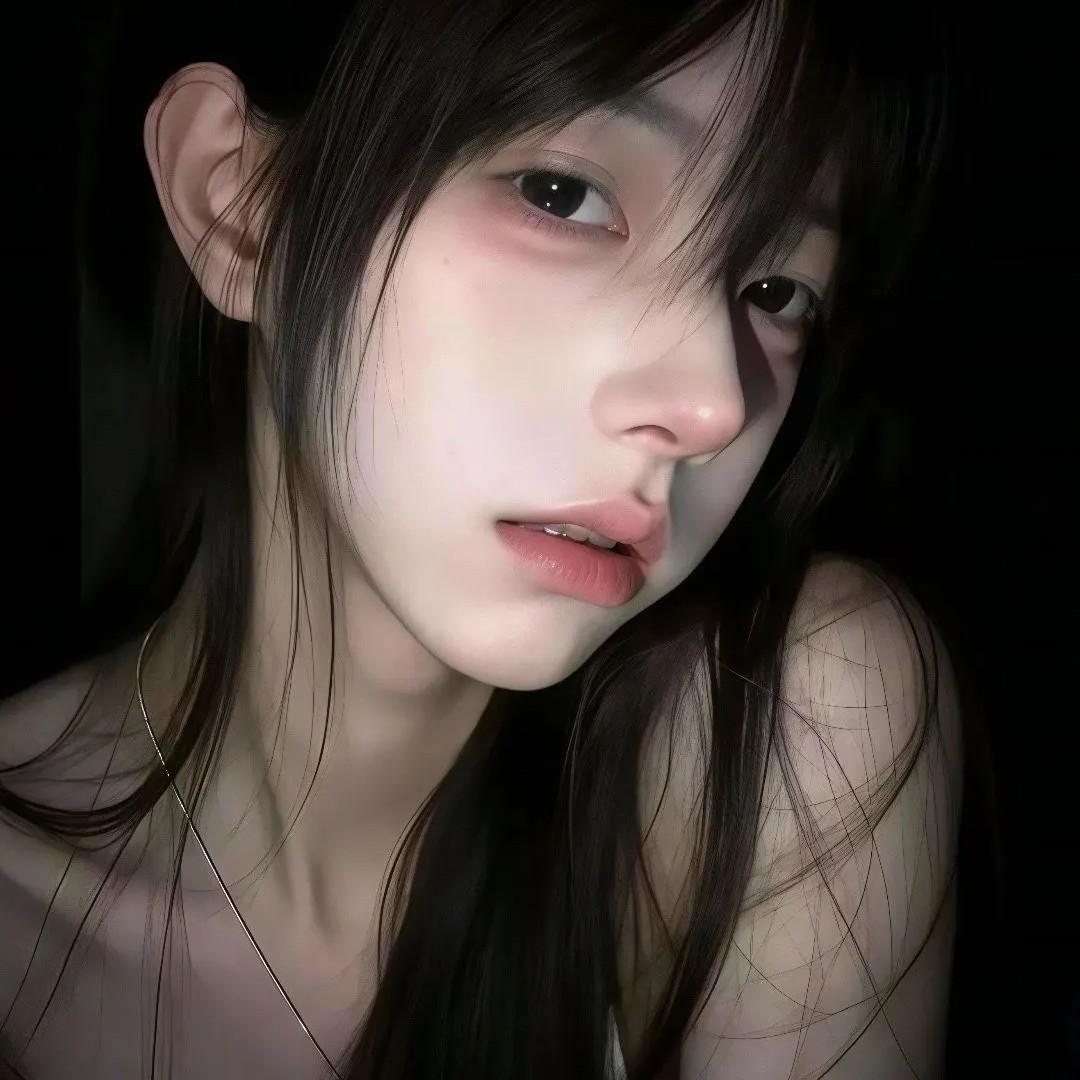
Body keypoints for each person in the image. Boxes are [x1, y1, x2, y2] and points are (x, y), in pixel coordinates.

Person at [0, 0, 967, 1076]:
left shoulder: (784, 733)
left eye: (776, 291)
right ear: (236, 202)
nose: (713, 402)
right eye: (564, 195)